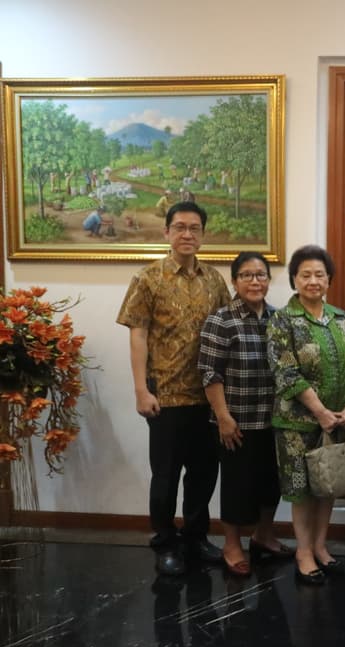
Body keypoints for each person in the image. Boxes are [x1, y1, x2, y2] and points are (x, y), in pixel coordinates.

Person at [117, 201, 232, 575]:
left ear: (203, 234)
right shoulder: (147, 278)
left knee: (204, 473)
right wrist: (140, 390)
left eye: (194, 228)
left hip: (207, 396)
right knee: (165, 476)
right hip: (164, 395)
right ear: (166, 232)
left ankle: (196, 538)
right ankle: (165, 542)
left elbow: (227, 331)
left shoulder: (215, 280)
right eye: (180, 227)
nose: (187, 234)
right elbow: (138, 335)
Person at [267, 245, 345, 585]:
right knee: (302, 491)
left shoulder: (343, 318)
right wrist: (321, 412)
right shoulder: (282, 320)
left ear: (329, 279)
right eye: (305, 275)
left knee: (329, 484)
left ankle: (321, 546)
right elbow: (286, 373)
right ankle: (304, 551)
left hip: (341, 419)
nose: (313, 281)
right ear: (294, 279)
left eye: (319, 275)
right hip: (297, 424)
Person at [198, 252, 293, 577]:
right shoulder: (221, 320)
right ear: (234, 281)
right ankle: (232, 545)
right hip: (236, 421)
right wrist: (223, 417)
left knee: (271, 483)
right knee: (237, 486)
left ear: (268, 279)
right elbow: (210, 373)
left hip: (274, 419)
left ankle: (264, 535)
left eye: (261, 275)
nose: (255, 281)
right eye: (247, 275)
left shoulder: (279, 318)